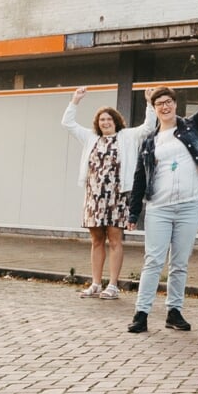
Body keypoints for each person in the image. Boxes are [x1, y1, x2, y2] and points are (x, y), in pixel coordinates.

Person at [125, 58, 198, 334]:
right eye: (159, 104)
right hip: (159, 208)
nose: (165, 107)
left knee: (179, 262)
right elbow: (139, 178)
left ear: (175, 104)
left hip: (189, 206)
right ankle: (141, 313)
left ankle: (174, 312)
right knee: (153, 260)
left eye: (168, 102)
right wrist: (133, 213)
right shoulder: (149, 142)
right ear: (154, 110)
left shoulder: (191, 126)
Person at [62, 86, 138, 299]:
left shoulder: (126, 137)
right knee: (96, 240)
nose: (105, 122)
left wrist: (150, 103)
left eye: (109, 119)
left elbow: (148, 127)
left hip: (117, 196)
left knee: (114, 239)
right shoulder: (90, 137)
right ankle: (96, 283)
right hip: (94, 197)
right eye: (102, 119)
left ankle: (112, 285)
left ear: (116, 121)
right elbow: (67, 123)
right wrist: (75, 101)